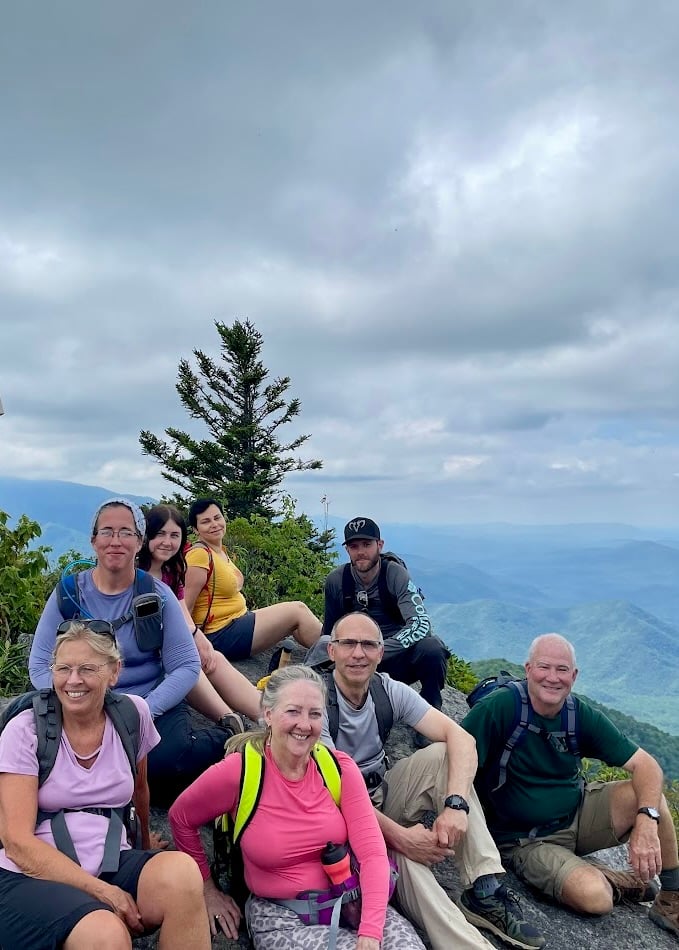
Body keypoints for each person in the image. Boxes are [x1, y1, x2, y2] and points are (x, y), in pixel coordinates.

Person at [319, 612, 546, 950]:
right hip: (340, 815)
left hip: (382, 793)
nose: (358, 653)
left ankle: (485, 889)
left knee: (444, 753)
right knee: (408, 865)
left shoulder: (386, 690)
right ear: (332, 650)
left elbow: (462, 740)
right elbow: (330, 790)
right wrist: (401, 838)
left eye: (368, 645)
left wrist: (456, 805)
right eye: (348, 643)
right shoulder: (317, 700)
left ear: (381, 653)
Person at [169, 665, 425, 949]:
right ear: (268, 714)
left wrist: (370, 933)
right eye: (293, 711)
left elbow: (373, 853)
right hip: (283, 915)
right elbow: (181, 817)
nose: (305, 724)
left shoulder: (337, 769)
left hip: (351, 900)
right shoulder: (239, 773)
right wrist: (206, 890)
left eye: (314, 714)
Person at [0, 621, 210, 950]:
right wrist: (101, 891)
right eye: (63, 668)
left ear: (114, 672)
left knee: (182, 874)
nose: (73, 680)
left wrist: (143, 843)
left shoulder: (132, 715)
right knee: (106, 932)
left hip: (109, 859)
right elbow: (17, 843)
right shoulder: (25, 730)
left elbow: (140, 790)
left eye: (87, 669)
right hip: (30, 875)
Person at [462, 632, 679, 938]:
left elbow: (647, 765)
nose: (553, 678)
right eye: (544, 667)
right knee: (596, 897)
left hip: (576, 813)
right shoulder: (500, 709)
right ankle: (613, 880)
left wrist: (646, 821)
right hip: (526, 840)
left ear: (574, 676)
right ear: (527, 670)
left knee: (650, 797)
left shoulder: (577, 714)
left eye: (562, 670)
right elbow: (455, 756)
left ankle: (672, 898)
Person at [29, 497, 231, 805]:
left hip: (144, 700)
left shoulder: (157, 595)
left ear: (139, 542)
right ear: (93, 540)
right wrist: (74, 702)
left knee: (166, 760)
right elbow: (40, 664)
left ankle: (225, 741)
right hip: (79, 702)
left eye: (126, 532)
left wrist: (144, 710)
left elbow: (186, 665)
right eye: (107, 531)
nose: (115, 541)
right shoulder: (69, 594)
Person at [307, 517, 449, 716]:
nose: (361, 552)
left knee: (432, 648)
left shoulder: (395, 575)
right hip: (357, 661)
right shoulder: (337, 581)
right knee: (324, 643)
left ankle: (430, 710)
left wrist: (379, 649)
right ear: (347, 550)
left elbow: (421, 625)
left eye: (367, 544)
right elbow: (331, 629)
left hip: (396, 659)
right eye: (354, 546)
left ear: (379, 545)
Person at [139, 504, 262, 724]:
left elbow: (181, 609)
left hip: (171, 645)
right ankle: (231, 721)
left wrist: (198, 637)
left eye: (174, 535)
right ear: (146, 536)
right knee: (191, 662)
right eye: (160, 534)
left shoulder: (171, 570)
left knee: (212, 658)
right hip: (147, 653)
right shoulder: (137, 575)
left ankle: (264, 714)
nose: (167, 542)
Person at [183, 498, 322, 662]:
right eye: (205, 521)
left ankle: (328, 656)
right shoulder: (199, 555)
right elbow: (185, 606)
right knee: (297, 610)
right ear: (195, 529)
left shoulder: (219, 551)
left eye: (217, 517)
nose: (214, 524)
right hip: (219, 634)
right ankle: (337, 653)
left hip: (237, 622)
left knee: (297, 623)